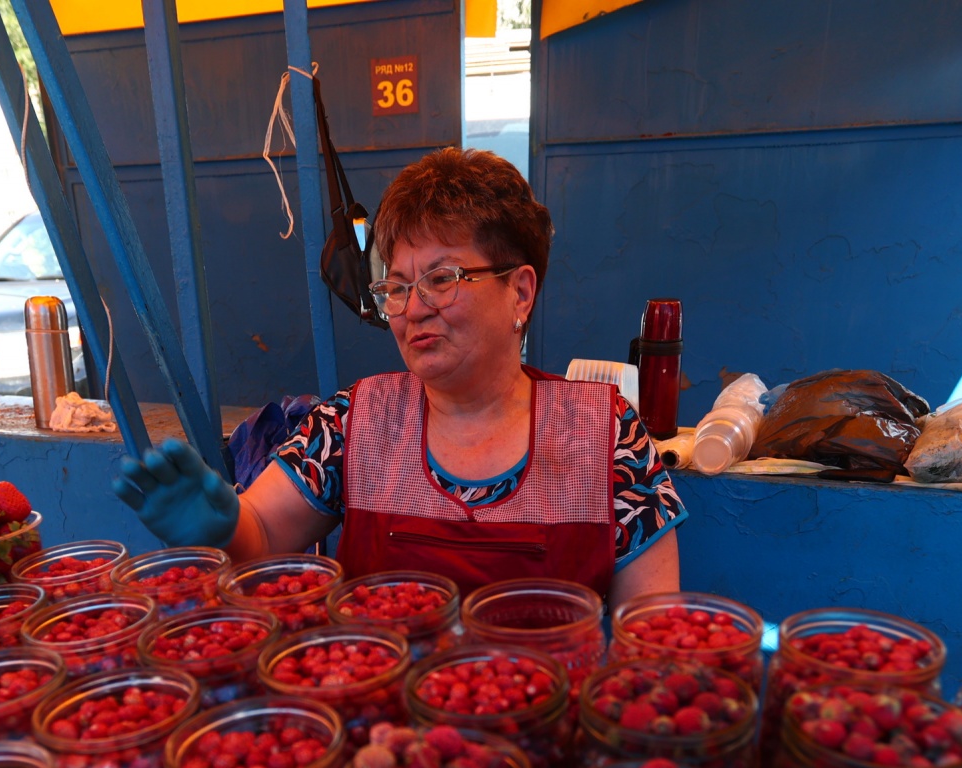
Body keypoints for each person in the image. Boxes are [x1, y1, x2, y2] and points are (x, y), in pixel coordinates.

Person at [110, 148, 686, 606]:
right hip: (381, 739)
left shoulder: (605, 433)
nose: (412, 308)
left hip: (542, 738)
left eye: (442, 278)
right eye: (397, 286)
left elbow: (655, 636)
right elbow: (259, 536)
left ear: (521, 291)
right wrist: (221, 528)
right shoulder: (353, 421)